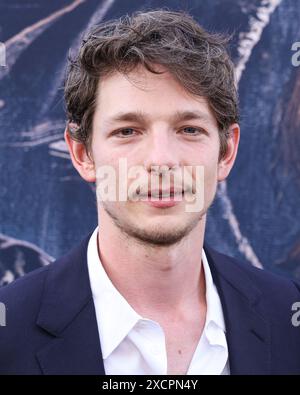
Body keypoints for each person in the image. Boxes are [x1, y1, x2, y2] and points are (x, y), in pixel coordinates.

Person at [0, 9, 299, 375]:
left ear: (226, 152)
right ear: (83, 154)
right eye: (127, 130)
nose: (161, 160)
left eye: (189, 129)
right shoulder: (9, 334)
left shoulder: (287, 319)